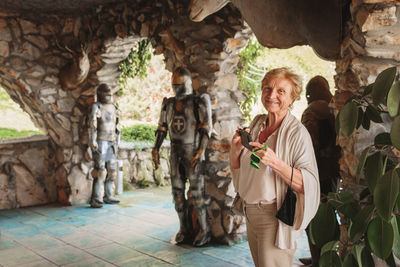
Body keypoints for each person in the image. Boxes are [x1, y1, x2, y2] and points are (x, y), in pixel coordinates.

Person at [229, 67, 320, 267]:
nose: (272, 95)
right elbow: (243, 170)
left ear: (292, 98)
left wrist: (275, 163)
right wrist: (235, 150)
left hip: (274, 217)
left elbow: (309, 183)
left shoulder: (297, 133)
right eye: (268, 89)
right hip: (250, 212)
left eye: (281, 91)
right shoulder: (257, 124)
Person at [152, 67, 212, 247]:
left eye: (180, 84)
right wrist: (156, 148)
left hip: (192, 151)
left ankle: (204, 230)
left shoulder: (198, 100)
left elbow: (205, 127)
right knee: (177, 195)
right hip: (175, 152)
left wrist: (201, 149)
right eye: (174, 84)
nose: (177, 88)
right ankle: (184, 229)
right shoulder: (168, 103)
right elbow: (162, 127)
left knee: (197, 194)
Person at [300, 76, 341, 266]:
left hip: (316, 171)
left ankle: (318, 260)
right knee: (329, 215)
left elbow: (309, 143)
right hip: (333, 170)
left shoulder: (311, 111)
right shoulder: (334, 108)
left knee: (313, 218)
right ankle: (325, 257)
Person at [89, 83, 121, 208]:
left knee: (112, 170)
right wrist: (93, 140)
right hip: (101, 140)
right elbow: (93, 124)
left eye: (110, 94)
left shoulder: (114, 107)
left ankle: (108, 195)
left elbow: (118, 125)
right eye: (106, 94)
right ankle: (96, 198)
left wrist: (117, 140)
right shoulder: (96, 106)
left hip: (111, 141)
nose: (109, 97)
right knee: (101, 170)